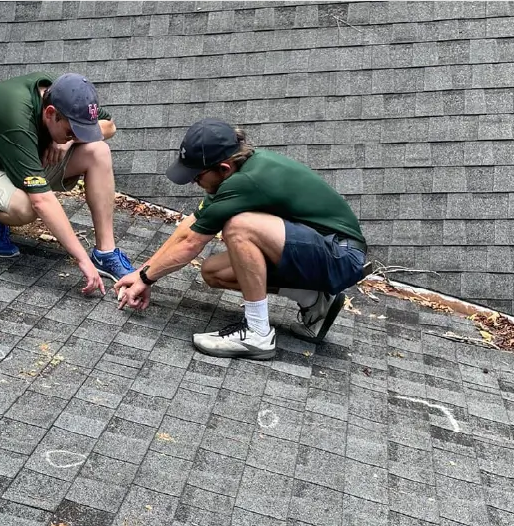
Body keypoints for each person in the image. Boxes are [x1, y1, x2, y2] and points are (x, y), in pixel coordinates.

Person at [114, 118, 367, 359]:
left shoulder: (245, 181)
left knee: (239, 227)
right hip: (321, 249)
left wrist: (147, 279)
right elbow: (188, 230)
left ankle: (257, 334)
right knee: (213, 271)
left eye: (196, 176)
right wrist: (141, 273)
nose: (193, 182)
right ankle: (314, 300)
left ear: (223, 168)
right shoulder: (237, 171)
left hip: (340, 254)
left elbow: (192, 243)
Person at [0, 72, 135, 295]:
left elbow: (110, 126)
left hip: (15, 159)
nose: (74, 136)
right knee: (26, 207)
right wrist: (81, 259)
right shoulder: (17, 119)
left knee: (98, 152)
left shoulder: (63, 95)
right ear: (50, 114)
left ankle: (105, 253)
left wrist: (69, 139)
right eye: (70, 130)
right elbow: (42, 201)